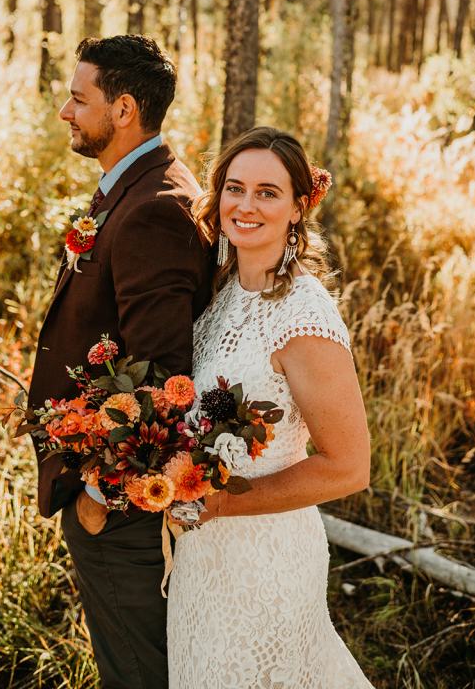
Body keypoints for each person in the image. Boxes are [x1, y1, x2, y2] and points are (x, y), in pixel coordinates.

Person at [28, 34, 211, 689]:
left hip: (124, 517)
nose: (65, 112)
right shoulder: (135, 186)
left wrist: (100, 495)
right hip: (108, 493)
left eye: (79, 99)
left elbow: (164, 376)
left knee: (137, 675)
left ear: (125, 108)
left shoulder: (152, 209)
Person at [167, 126, 373, 689]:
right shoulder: (226, 291)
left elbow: (349, 466)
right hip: (202, 559)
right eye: (235, 187)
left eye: (267, 192)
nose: (246, 205)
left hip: (266, 561)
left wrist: (223, 507)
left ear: (299, 206)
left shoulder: (303, 314)